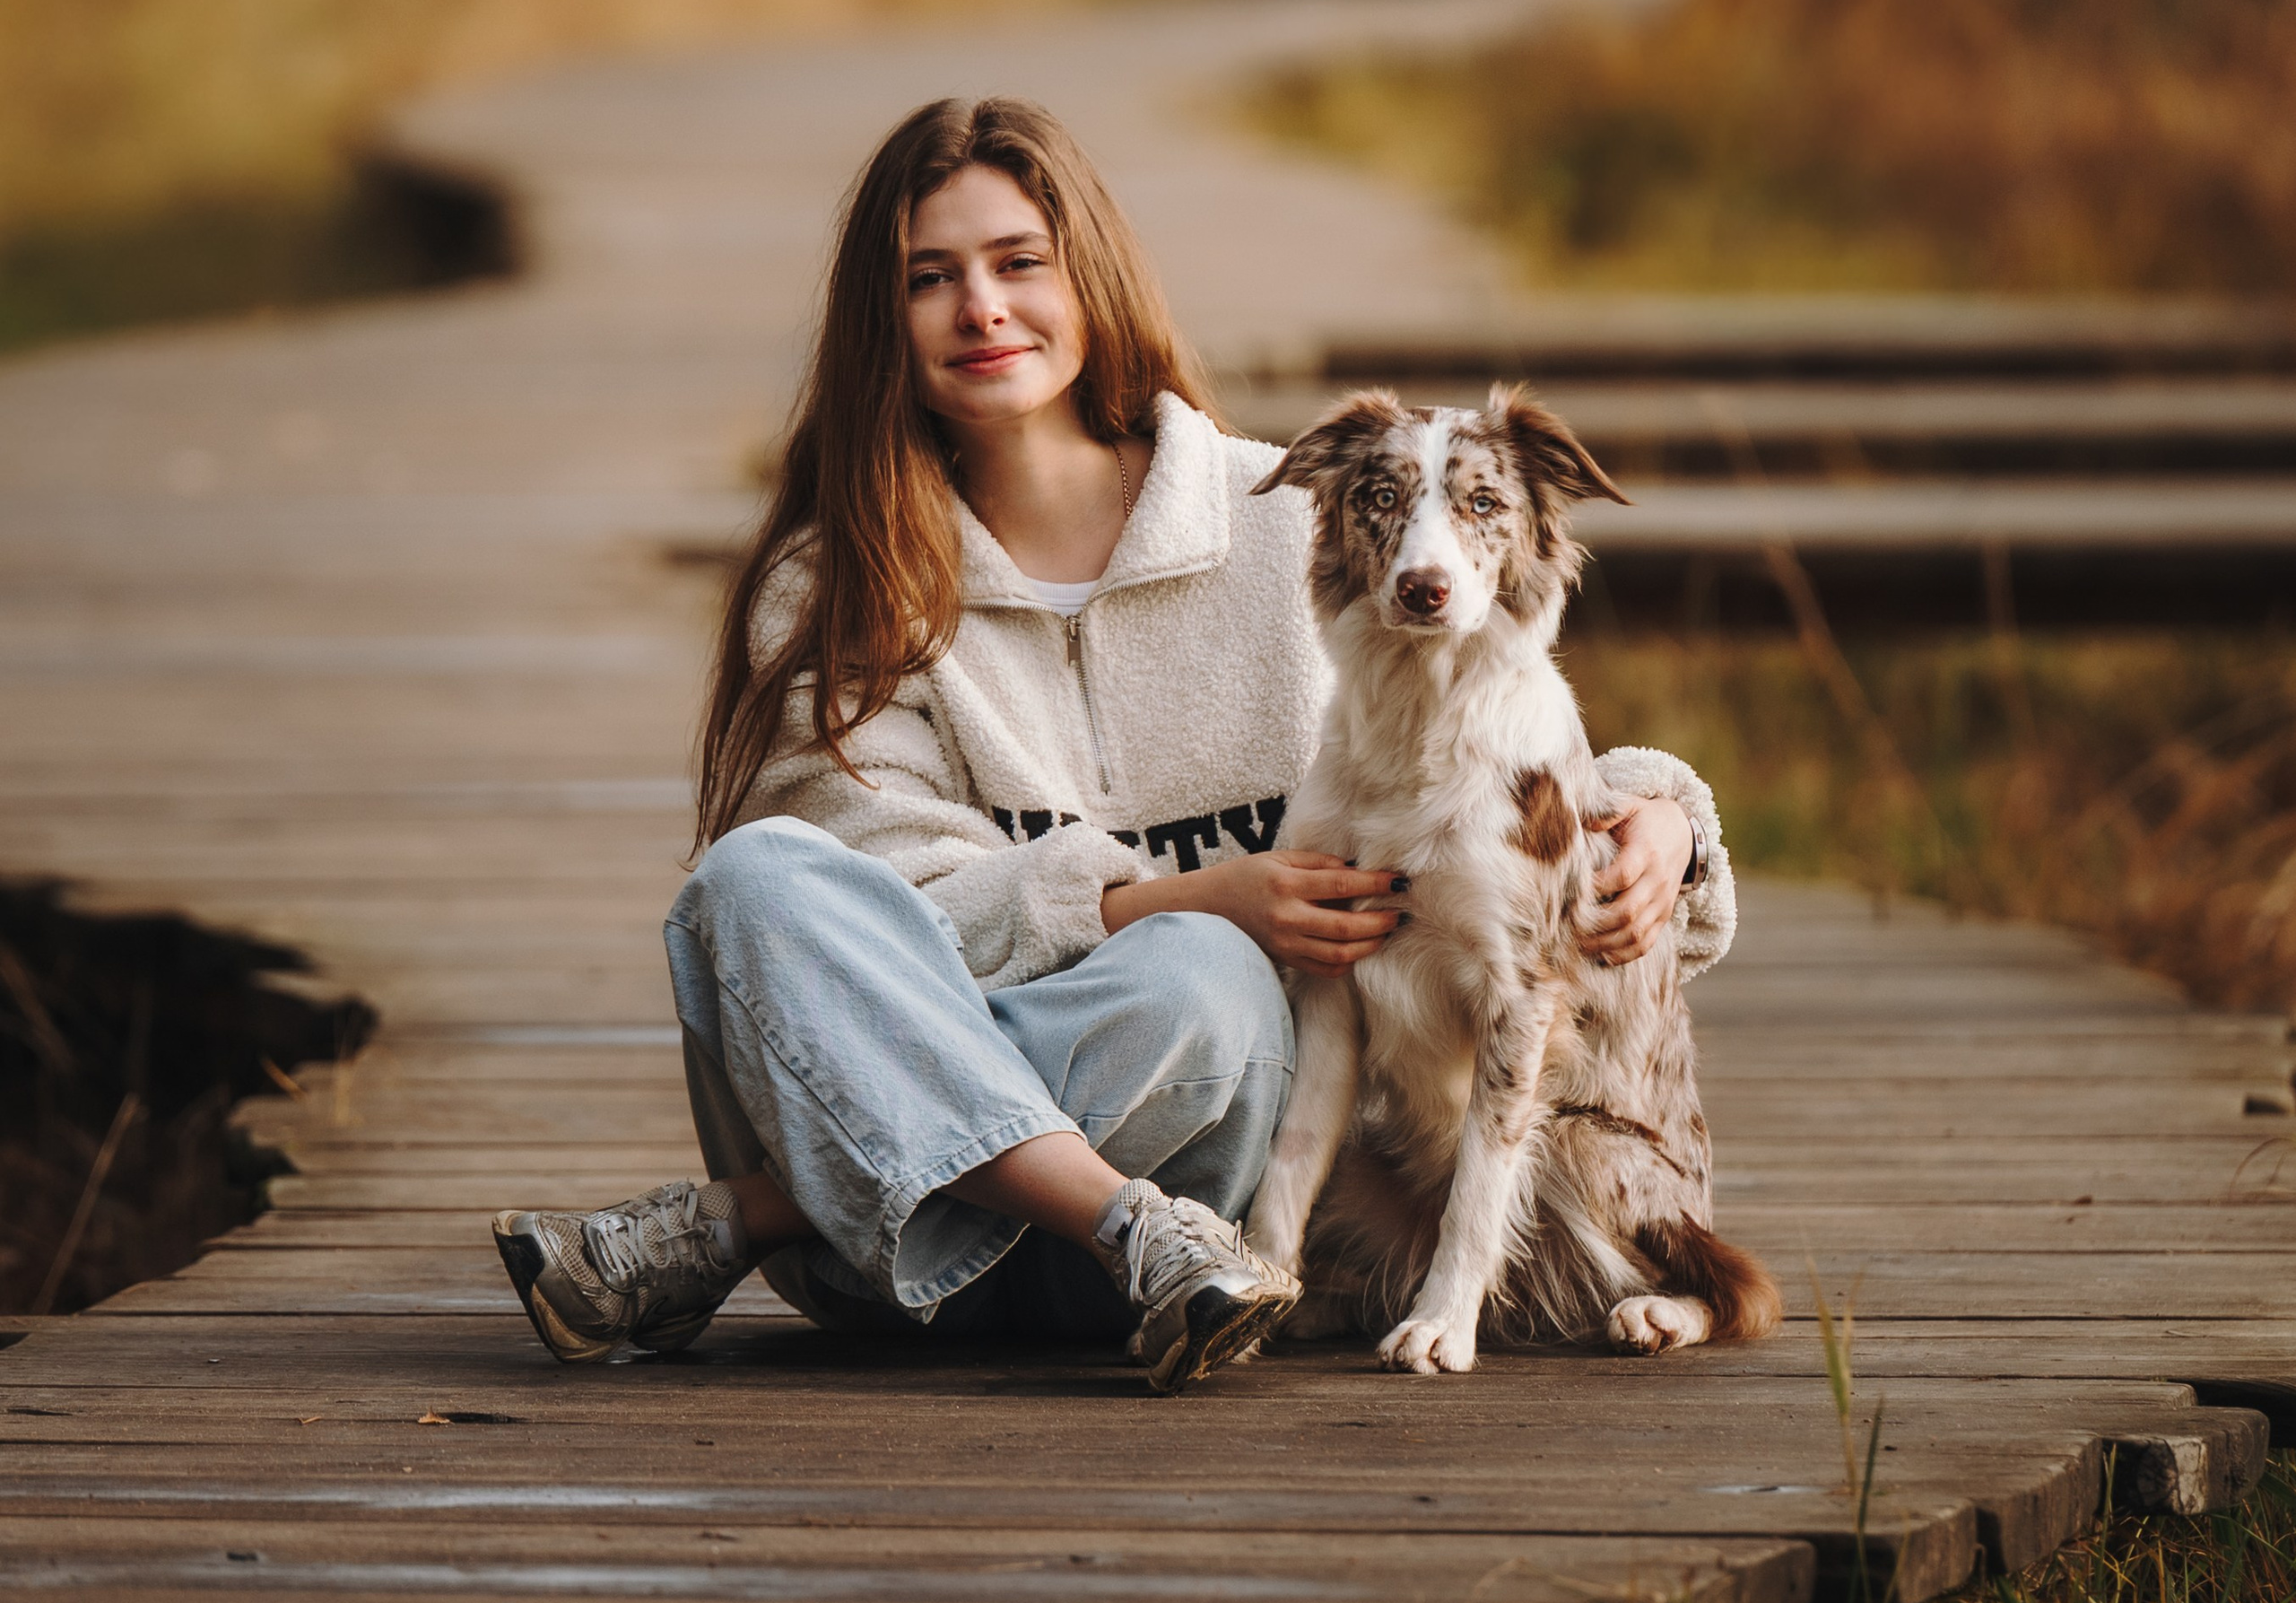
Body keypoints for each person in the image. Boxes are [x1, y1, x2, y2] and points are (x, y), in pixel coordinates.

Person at [491, 97, 1735, 1389]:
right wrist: (1169, 893)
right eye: (932, 278)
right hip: (899, 1259)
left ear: (1088, 279)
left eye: (1019, 262)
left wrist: (1666, 821)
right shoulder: (832, 590)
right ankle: (1105, 1214)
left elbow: (1486, 736)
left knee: (1201, 982)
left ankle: (742, 1219)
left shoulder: (1282, 530)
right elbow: (880, 913)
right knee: (755, 880)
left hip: (1196, 1189)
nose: (982, 307)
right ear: (883, 321)